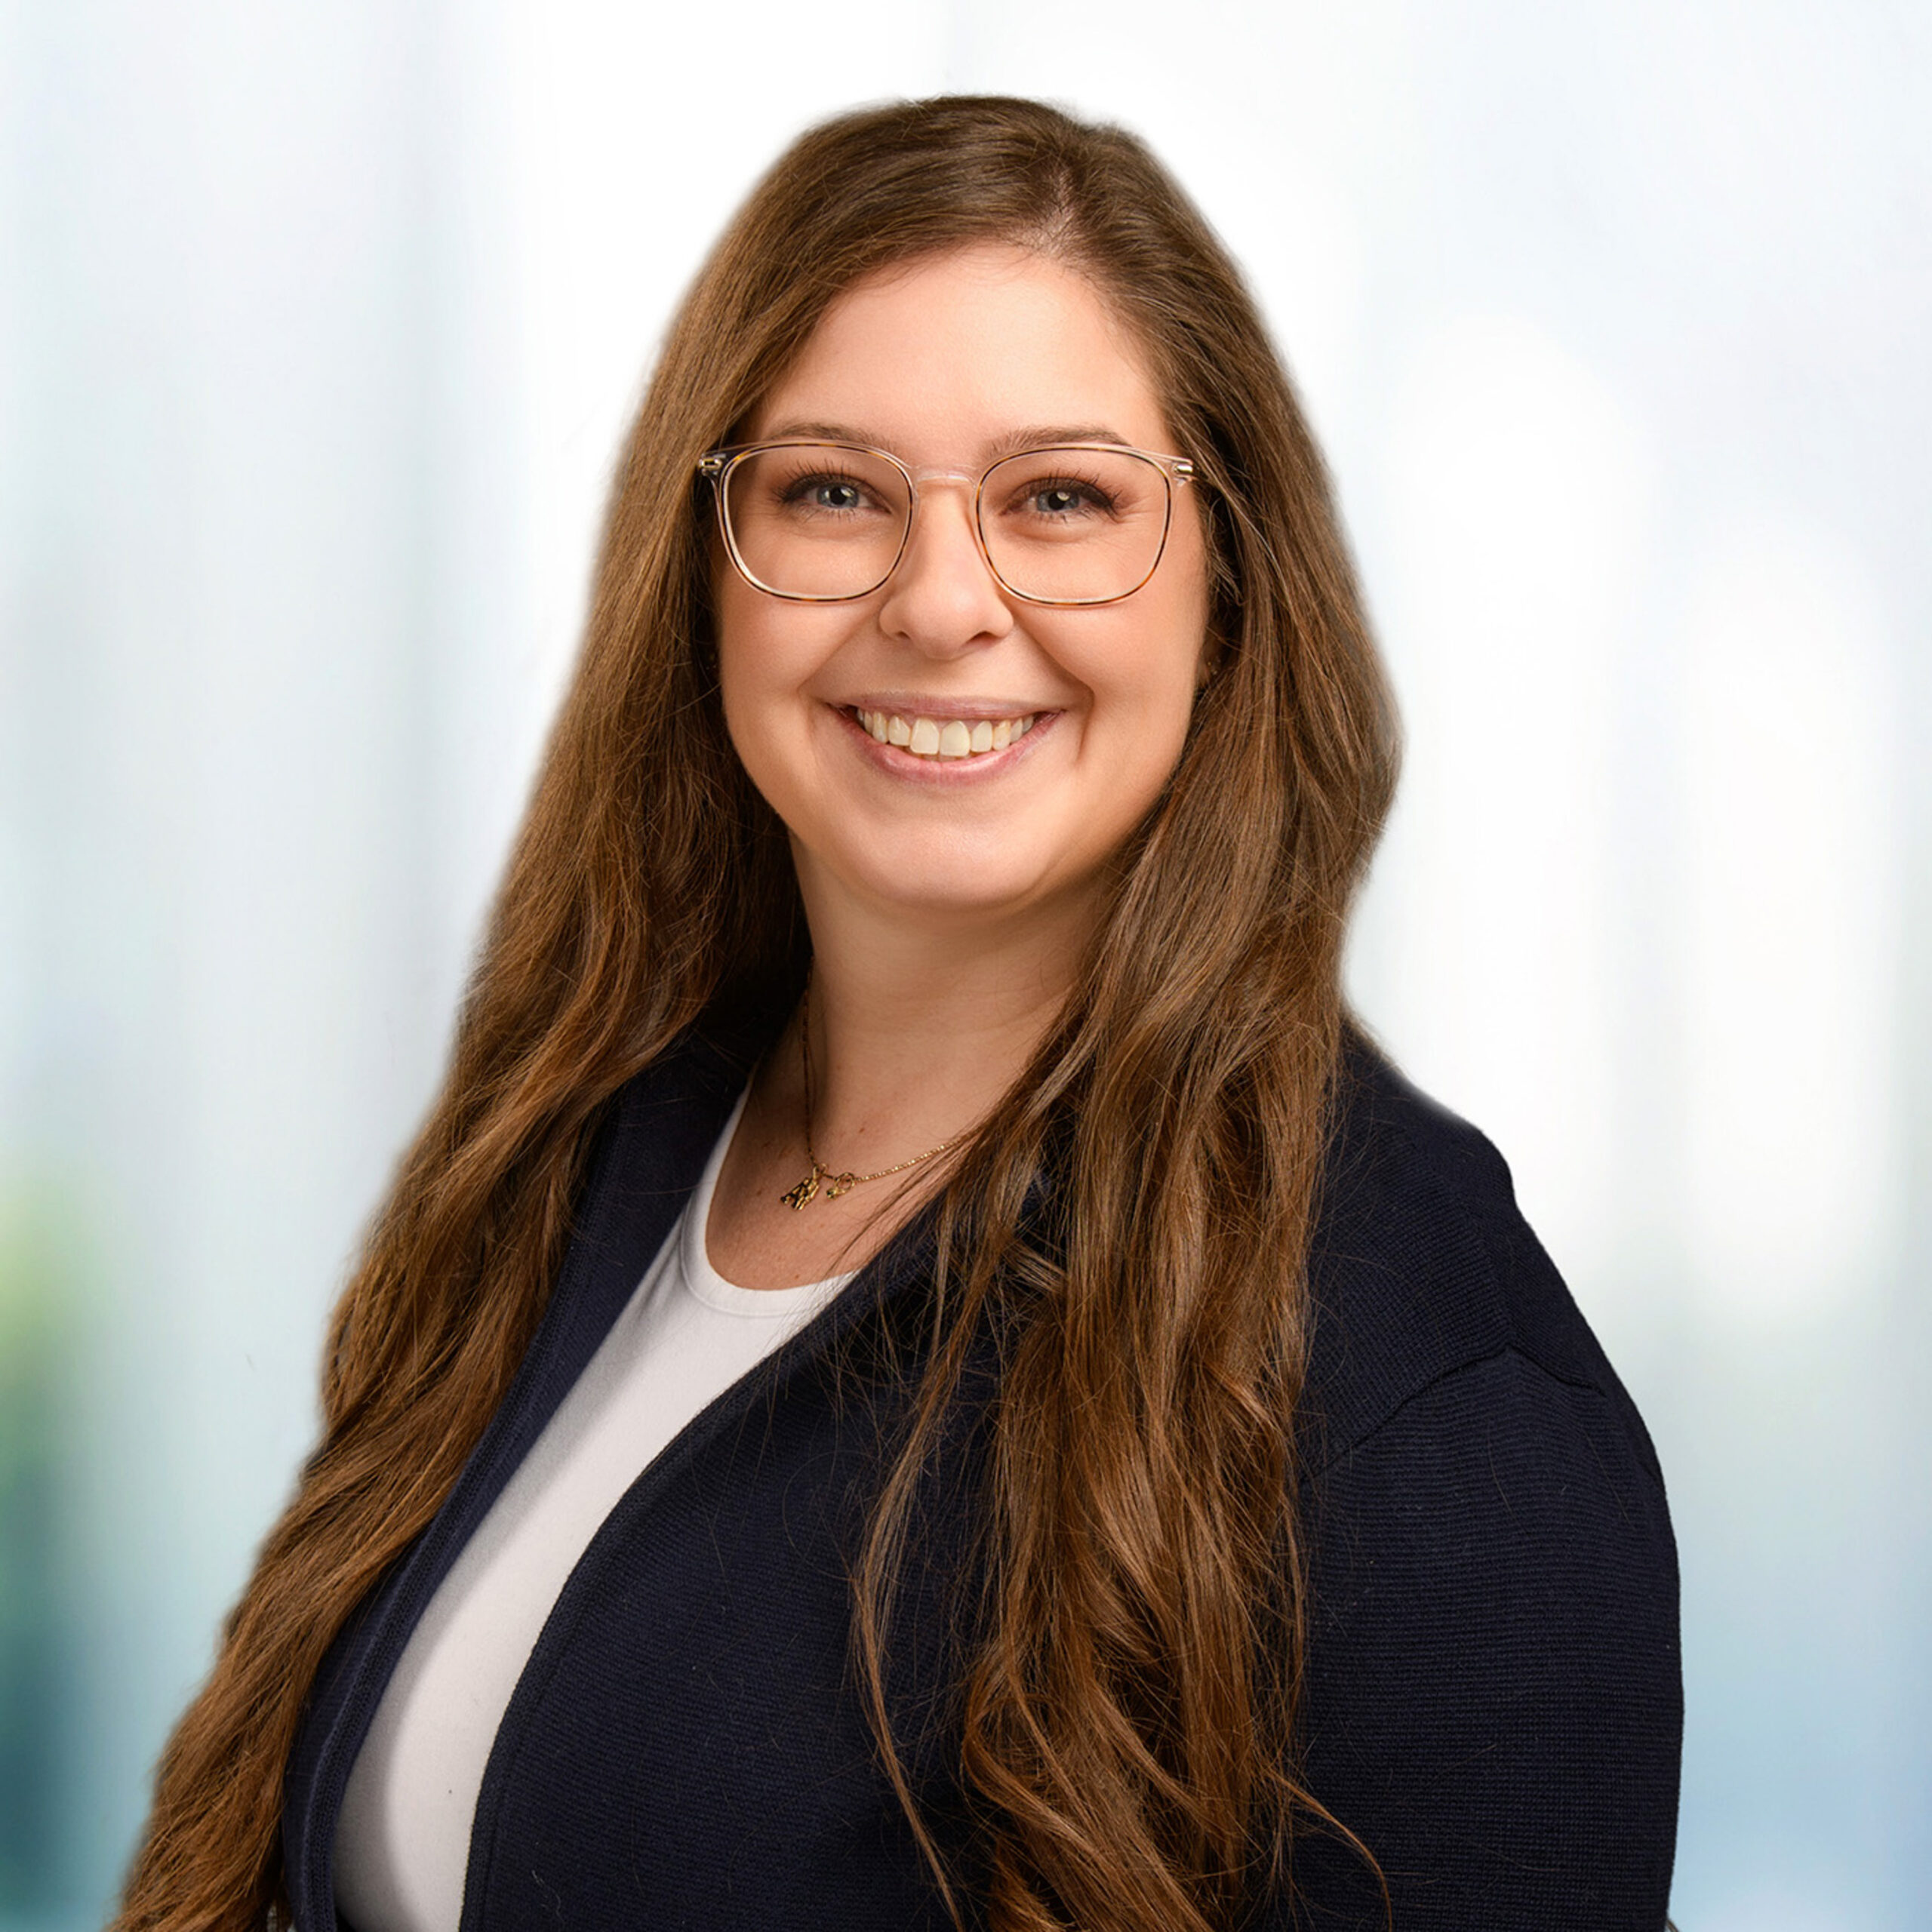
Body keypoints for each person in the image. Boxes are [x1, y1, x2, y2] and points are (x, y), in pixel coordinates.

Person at [116, 96, 1681, 1932]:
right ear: (702, 568)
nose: (942, 602)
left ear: (1230, 584)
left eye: (1062, 499)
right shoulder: (582, 1159)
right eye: (834, 490)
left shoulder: (1426, 1387)